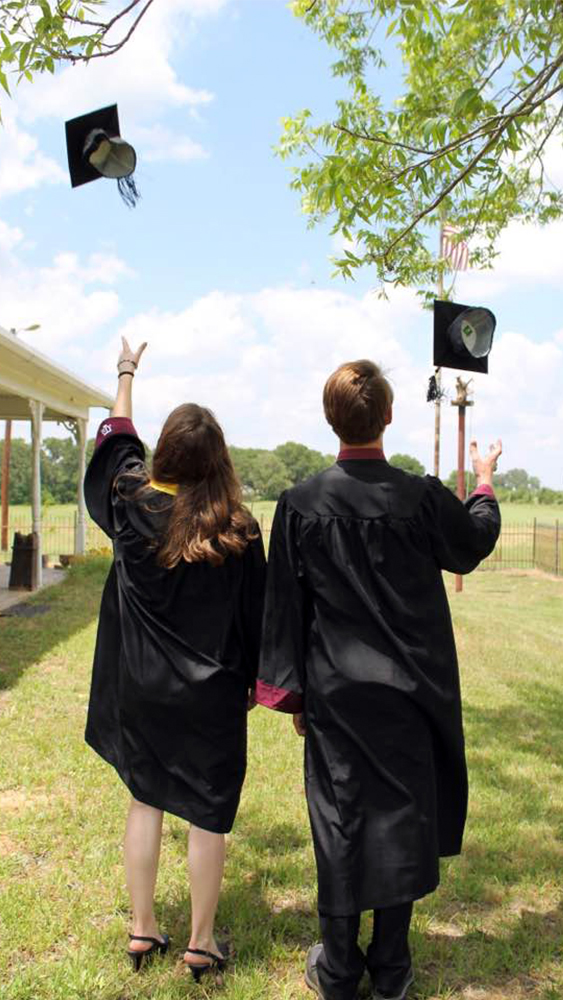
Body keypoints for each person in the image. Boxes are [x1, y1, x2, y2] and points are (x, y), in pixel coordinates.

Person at [256, 359, 501, 1000]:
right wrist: (483, 480)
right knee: (401, 819)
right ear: (388, 416)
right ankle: (389, 965)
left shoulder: (300, 505)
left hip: (336, 699)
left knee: (340, 823)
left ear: (330, 418)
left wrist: (294, 697)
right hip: (410, 696)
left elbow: (283, 609)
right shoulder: (417, 499)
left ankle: (339, 969)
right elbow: (472, 543)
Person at [84, 338, 266, 979]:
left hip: (140, 689)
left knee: (145, 801)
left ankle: (142, 930)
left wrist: (127, 372)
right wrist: (253, 684)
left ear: (165, 453)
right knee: (206, 816)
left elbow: (115, 439)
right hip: (211, 695)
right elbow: (256, 618)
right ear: (218, 462)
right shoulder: (237, 528)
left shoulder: (128, 504)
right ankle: (201, 940)